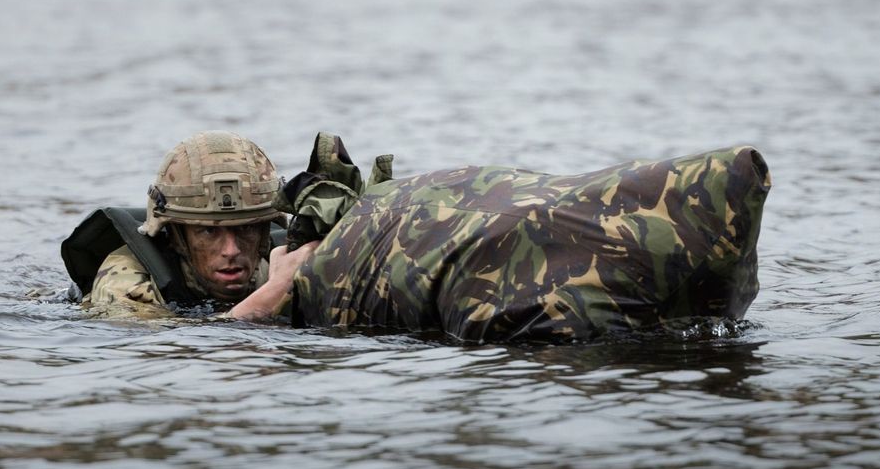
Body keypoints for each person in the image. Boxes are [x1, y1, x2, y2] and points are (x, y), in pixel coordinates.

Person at [275, 134, 771, 344]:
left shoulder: (322, 261)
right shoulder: (323, 252)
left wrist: (272, 296)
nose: (237, 252)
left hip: (492, 241)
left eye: (244, 233)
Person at [62, 131, 318, 320]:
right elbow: (164, 347)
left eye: (246, 228)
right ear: (176, 236)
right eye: (209, 231)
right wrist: (274, 292)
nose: (231, 250)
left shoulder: (279, 263)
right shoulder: (125, 279)